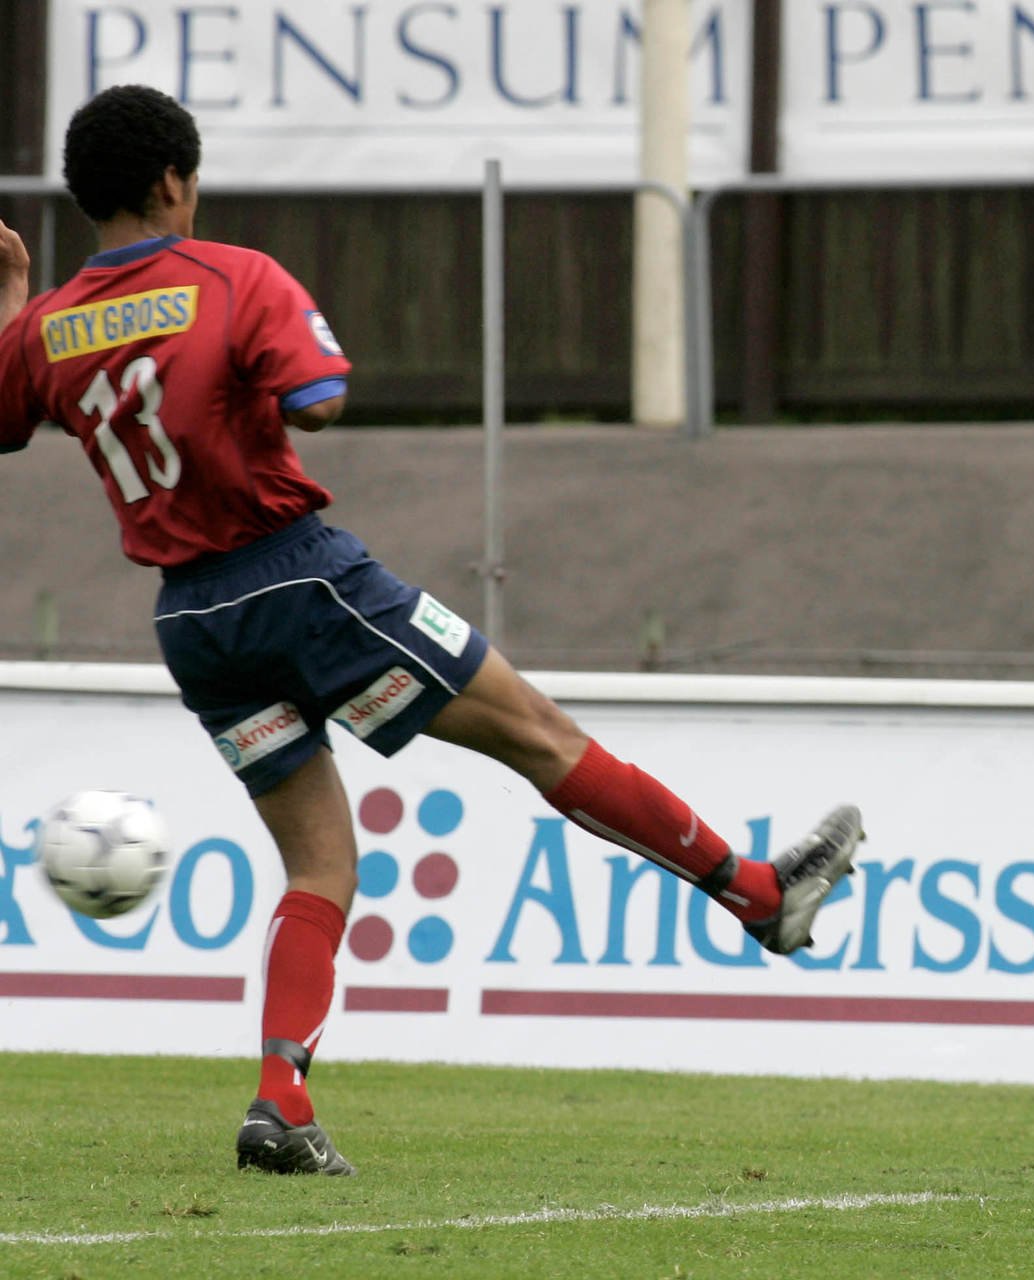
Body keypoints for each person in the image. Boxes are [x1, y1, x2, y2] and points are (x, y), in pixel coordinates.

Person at [0, 86, 863, 1178]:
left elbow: (7, 413)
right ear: (175, 180)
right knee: (541, 734)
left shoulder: (48, 325)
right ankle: (757, 896)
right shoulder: (231, 277)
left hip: (194, 621)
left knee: (319, 863)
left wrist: (15, 307)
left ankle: (281, 1102)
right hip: (301, 580)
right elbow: (318, 398)